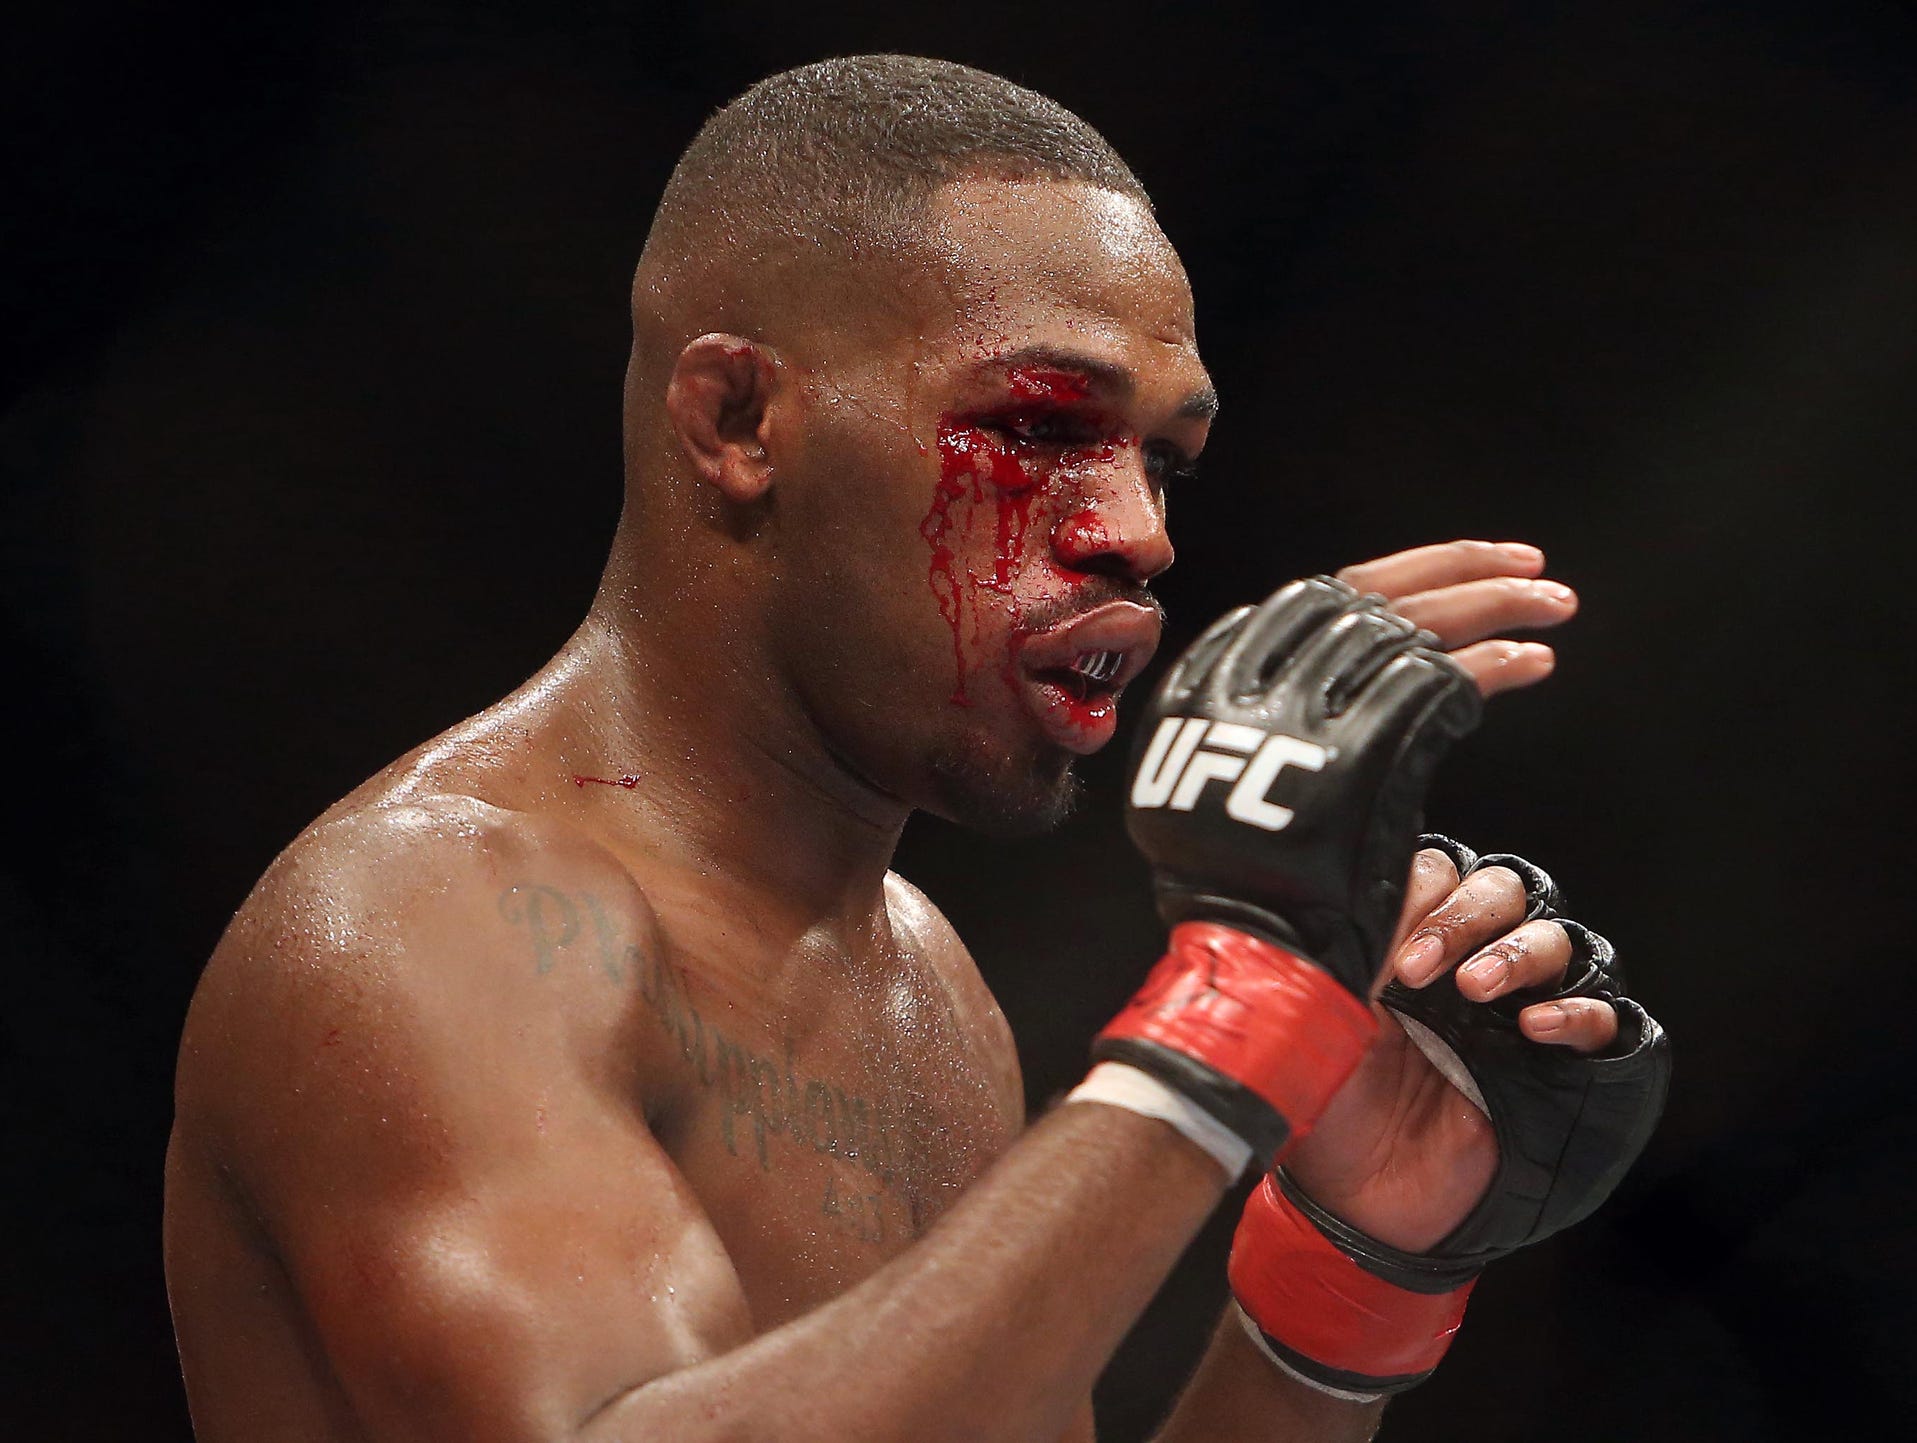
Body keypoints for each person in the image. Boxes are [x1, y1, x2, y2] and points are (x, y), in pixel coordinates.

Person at [163, 55, 1667, 1442]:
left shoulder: (920, 986)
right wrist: (1230, 1025)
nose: (1137, 533)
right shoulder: (426, 924)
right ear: (741, 417)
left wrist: (1347, 1286)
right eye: (1034, 426)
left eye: (1162, 459)